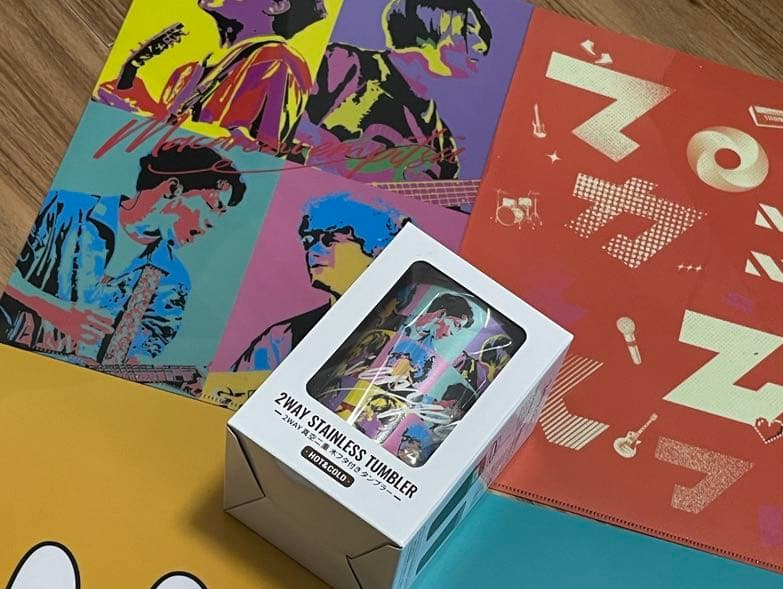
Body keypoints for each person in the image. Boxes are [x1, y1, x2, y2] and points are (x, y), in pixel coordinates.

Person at [0, 142, 245, 366]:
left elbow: (147, 350)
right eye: (212, 207)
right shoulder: (62, 208)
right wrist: (58, 311)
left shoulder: (175, 279)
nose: (212, 224)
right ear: (172, 188)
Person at [292, 0, 492, 181]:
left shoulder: (443, 141)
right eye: (469, 31)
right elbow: (281, 123)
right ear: (428, 27)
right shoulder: (343, 63)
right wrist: (338, 159)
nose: (482, 45)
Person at [96, 0, 326, 154]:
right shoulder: (187, 72)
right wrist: (130, 74)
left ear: (276, 5)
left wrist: (143, 116)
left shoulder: (278, 62)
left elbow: (253, 156)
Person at [233, 191, 408, 371]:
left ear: (376, 248)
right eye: (308, 241)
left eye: (329, 240)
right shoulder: (281, 337)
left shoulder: (413, 327)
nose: (313, 251)